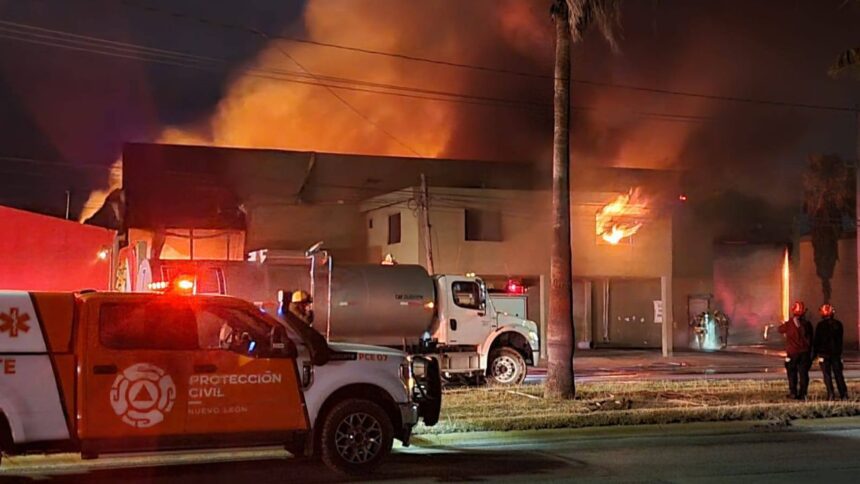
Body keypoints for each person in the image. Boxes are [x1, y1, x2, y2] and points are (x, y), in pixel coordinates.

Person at [778, 301, 814, 400]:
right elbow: (811, 338)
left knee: (792, 373)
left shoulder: (790, 323)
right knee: (803, 374)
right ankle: (803, 394)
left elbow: (780, 330)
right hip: (804, 353)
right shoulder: (807, 324)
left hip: (793, 353)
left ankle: (793, 392)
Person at [813, 304, 849, 400]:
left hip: (824, 354)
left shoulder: (820, 326)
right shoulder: (838, 324)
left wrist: (814, 355)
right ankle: (844, 394)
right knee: (838, 375)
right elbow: (840, 340)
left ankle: (831, 394)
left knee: (827, 375)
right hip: (836, 354)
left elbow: (817, 341)